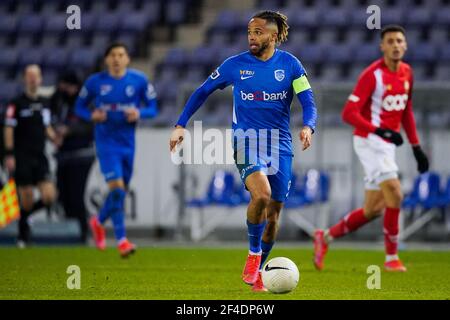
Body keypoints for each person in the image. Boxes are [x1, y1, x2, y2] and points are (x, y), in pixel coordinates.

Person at [170, 11, 317, 291]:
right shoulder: (235, 65)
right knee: (261, 194)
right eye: (250, 32)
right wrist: (180, 124)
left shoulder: (291, 65)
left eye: (259, 32)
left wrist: (309, 126)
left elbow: (308, 101)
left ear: (273, 36)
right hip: (245, 141)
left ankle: (261, 270)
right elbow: (202, 91)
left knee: (273, 215)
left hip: (280, 145)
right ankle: (253, 255)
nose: (252, 36)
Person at [313, 25, 429, 272]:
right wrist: (379, 131)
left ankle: (325, 237)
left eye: (399, 40)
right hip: (368, 140)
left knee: (373, 209)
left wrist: (416, 147)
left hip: (387, 145)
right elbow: (348, 113)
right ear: (382, 46)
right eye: (390, 41)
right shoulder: (372, 75)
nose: (396, 45)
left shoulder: (407, 73)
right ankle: (391, 259)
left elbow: (406, 110)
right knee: (395, 193)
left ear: (405, 45)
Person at [75, 43, 158, 258]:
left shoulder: (139, 80)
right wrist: (91, 116)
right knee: (118, 188)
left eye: (121, 55)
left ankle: (98, 221)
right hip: (106, 143)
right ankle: (122, 240)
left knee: (119, 193)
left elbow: (153, 107)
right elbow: (79, 107)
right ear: (106, 59)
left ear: (127, 59)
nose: (117, 59)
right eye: (112, 55)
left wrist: (139, 113)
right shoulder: (95, 82)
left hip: (128, 144)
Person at [3, 64, 60, 248]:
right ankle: (23, 234)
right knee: (26, 198)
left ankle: (25, 219)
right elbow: (9, 129)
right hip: (22, 156)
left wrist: (55, 138)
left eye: (36, 76)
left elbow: (46, 127)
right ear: (25, 79)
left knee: (50, 196)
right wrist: (9, 154)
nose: (33, 79)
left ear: (41, 79)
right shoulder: (16, 103)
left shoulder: (45, 103)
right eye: (29, 75)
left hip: (40, 155)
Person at [51, 71, 95, 244]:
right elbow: (51, 117)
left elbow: (91, 127)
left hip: (81, 155)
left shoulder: (86, 103)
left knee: (76, 196)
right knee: (63, 196)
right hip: (63, 155)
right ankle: (70, 233)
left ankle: (83, 233)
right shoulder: (60, 101)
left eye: (66, 86)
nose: (63, 89)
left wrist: (68, 131)